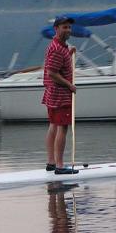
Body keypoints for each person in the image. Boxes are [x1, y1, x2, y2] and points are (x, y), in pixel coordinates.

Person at [43, 16, 78, 175]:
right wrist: (69, 85)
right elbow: (52, 73)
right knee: (62, 127)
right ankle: (60, 165)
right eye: (64, 27)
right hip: (60, 94)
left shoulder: (59, 46)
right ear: (56, 28)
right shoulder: (57, 48)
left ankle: (51, 162)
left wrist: (69, 53)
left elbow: (57, 64)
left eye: (69, 27)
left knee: (53, 126)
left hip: (52, 93)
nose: (68, 30)